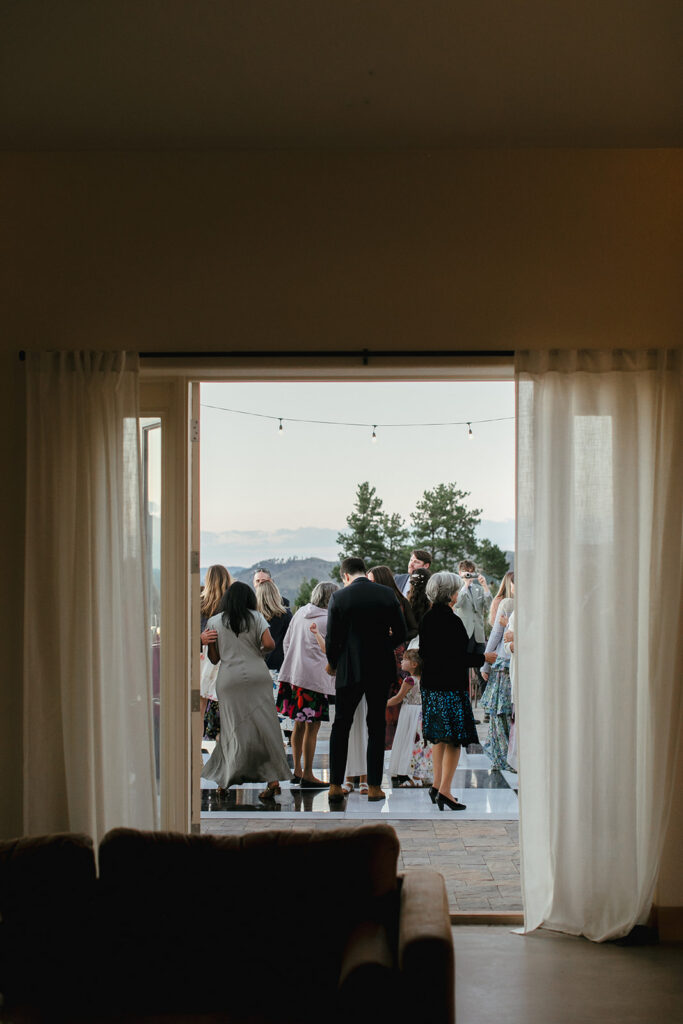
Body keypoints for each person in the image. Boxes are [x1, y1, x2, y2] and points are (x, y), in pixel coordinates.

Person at [325, 556, 406, 803]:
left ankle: (336, 785)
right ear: (363, 571)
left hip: (349, 668)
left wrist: (334, 662)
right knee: (376, 726)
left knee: (341, 725)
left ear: (345, 575)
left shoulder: (339, 597)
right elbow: (401, 632)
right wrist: (384, 645)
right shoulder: (386, 594)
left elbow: (332, 637)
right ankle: (373, 786)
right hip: (379, 667)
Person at [201, 581, 290, 800]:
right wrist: (256, 652)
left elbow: (214, 658)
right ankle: (273, 780)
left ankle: (225, 780)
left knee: (231, 727)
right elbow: (270, 644)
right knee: (265, 726)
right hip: (258, 676)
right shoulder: (256, 617)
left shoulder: (214, 621)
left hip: (229, 679)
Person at [419, 571, 484, 811]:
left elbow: (427, 654)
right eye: (456, 590)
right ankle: (445, 790)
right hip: (451, 687)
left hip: (431, 685)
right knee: (455, 739)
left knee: (438, 737)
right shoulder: (452, 621)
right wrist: (483, 657)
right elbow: (458, 658)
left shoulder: (427, 619)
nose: (458, 594)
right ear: (450, 595)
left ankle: (437, 785)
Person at [276, 581, 339, 788]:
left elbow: (286, 642)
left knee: (298, 724)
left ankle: (298, 770)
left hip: (294, 676)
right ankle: (310, 773)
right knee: (313, 727)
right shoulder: (329, 620)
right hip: (315, 680)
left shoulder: (301, 612)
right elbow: (332, 650)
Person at [368, 564, 418, 753]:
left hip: (398, 657)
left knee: (398, 697)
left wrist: (399, 635)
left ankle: (397, 742)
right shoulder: (371, 601)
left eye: (372, 580)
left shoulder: (400, 601)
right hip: (377, 655)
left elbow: (413, 628)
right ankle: (382, 740)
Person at [480, 594, 515, 773]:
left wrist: (485, 665)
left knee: (502, 713)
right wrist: (485, 664)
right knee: (505, 713)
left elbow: (495, 635)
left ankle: (504, 756)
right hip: (506, 664)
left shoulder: (508, 603)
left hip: (506, 664)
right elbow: (495, 635)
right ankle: (506, 756)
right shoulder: (509, 604)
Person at [387, 650, 432, 787]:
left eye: (405, 659)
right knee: (419, 745)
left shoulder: (409, 680)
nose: (401, 661)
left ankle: (409, 774)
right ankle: (420, 774)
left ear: (414, 664)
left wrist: (382, 704)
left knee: (407, 742)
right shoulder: (425, 678)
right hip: (422, 714)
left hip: (410, 714)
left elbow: (398, 698)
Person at [199, 564, 232, 736]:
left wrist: (199, 639)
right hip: (227, 658)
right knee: (229, 712)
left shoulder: (200, 603)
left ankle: (195, 753)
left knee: (199, 710)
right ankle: (228, 755)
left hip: (204, 659)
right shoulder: (233, 604)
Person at [255, 577, 292, 702]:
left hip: (258, 666)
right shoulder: (286, 615)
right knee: (281, 709)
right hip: (281, 666)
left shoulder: (253, 617)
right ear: (276, 594)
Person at [454, 559, 492, 653]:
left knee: (481, 664)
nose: (469, 574)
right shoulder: (456, 589)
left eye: (471, 572)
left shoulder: (479, 589)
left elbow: (489, 607)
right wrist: (466, 584)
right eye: (467, 572)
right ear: (460, 573)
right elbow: (457, 604)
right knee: (464, 665)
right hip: (464, 633)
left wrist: (485, 586)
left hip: (479, 634)